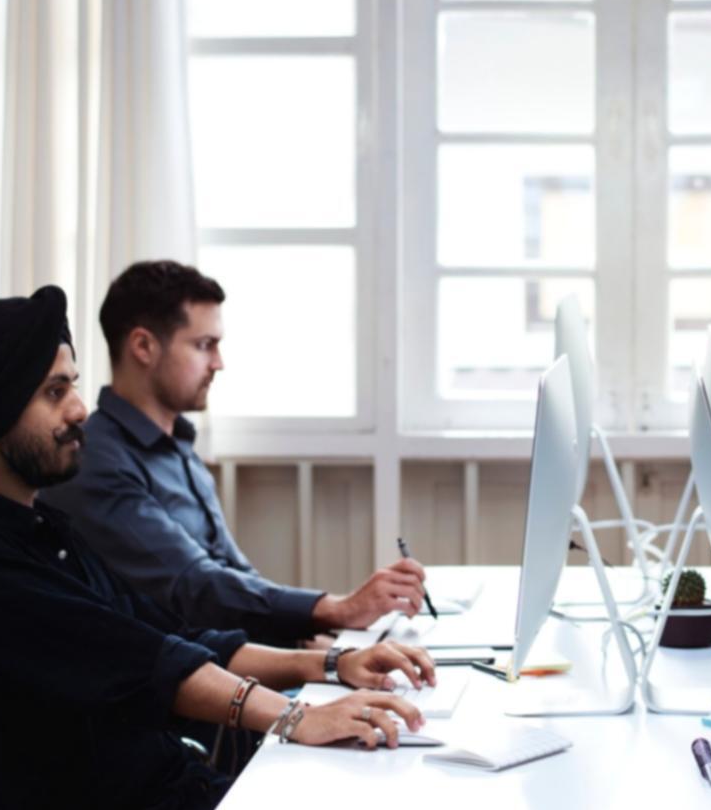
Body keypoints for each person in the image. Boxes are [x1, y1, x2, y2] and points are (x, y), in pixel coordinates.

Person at [0, 286, 438, 810]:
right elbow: (150, 664)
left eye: (72, 387)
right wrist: (297, 717)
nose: (80, 410)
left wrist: (333, 664)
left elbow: (176, 638)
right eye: (55, 393)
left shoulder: (41, 532)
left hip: (174, 793)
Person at [40, 261, 425, 644]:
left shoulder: (179, 448)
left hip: (232, 664)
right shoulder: (94, 460)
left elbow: (236, 577)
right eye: (204, 345)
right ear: (143, 346)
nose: (218, 363)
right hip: (182, 685)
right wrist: (335, 609)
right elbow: (194, 588)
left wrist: (311, 641)